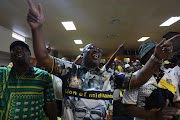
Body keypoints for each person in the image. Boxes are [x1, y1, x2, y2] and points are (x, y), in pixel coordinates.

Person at [26, 0, 180, 119]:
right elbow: (42, 57)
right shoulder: (70, 70)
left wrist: (156, 57)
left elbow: (139, 79)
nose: (96, 50)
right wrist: (37, 29)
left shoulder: (110, 77)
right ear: (83, 53)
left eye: (99, 50)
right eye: (91, 48)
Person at [0, 40, 58, 120]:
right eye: (14, 49)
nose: (18, 50)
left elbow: (51, 106)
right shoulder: (2, 73)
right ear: (10, 56)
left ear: (30, 56)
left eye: (23, 48)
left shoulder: (43, 76)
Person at [122, 41, 180, 120]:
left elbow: (176, 101)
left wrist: (176, 111)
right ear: (145, 58)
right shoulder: (134, 78)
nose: (160, 55)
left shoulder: (171, 77)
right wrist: (155, 115)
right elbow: (128, 108)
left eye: (161, 52)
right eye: (155, 53)